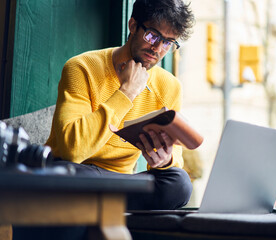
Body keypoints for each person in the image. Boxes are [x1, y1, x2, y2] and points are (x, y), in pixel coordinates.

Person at [45, 0, 195, 210]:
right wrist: (127, 92)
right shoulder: (82, 67)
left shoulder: (169, 87)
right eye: (153, 35)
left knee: (179, 184)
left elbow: (174, 165)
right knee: (66, 175)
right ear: (133, 25)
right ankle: (106, 206)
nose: (158, 48)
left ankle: (97, 203)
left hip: (120, 182)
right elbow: (73, 150)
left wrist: (165, 160)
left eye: (168, 42)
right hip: (75, 171)